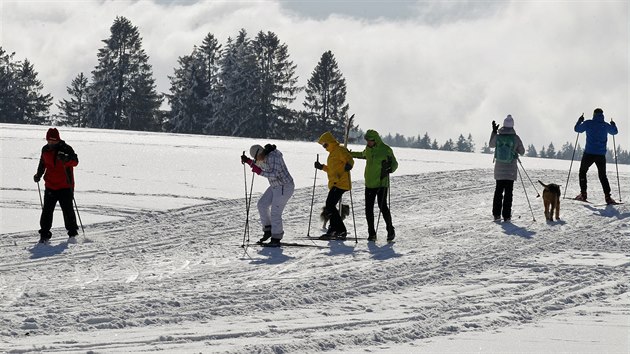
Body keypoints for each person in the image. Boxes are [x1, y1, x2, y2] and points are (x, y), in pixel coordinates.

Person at [241, 144, 294, 246]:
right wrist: (248, 161)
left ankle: (276, 237)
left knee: (275, 212)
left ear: (260, 153)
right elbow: (259, 164)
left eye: (255, 157)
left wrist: (259, 171)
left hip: (284, 186)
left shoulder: (274, 157)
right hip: (275, 186)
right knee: (262, 204)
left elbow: (274, 174)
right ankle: (268, 230)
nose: (256, 160)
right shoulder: (264, 156)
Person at [350, 129, 398, 242]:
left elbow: (395, 164)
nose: (368, 142)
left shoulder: (386, 150)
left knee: (383, 207)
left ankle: (390, 230)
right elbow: (362, 155)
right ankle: (371, 233)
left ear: (375, 140)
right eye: (367, 140)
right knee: (368, 209)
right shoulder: (368, 149)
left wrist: (390, 169)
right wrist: (349, 153)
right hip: (370, 183)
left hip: (382, 183)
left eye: (370, 140)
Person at [33, 128, 79, 243]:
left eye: (53, 141)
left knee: (68, 210)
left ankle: (73, 233)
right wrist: (38, 174)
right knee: (47, 211)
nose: (51, 143)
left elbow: (75, 162)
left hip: (65, 185)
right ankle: (44, 234)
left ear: (58, 139)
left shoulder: (66, 148)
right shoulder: (45, 149)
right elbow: (42, 163)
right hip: (50, 185)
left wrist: (66, 159)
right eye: (49, 141)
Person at [573, 108, 619, 204]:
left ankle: (583, 194)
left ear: (594, 114)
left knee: (582, 172)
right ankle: (608, 197)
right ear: (602, 115)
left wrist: (579, 120)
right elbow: (614, 132)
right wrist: (613, 125)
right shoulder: (605, 125)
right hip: (601, 154)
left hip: (589, 153)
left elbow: (577, 129)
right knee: (603, 176)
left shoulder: (588, 123)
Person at [314, 131, 354, 240]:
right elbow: (331, 169)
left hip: (341, 183)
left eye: (325, 144)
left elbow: (349, 158)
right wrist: (321, 167)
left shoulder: (340, 150)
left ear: (330, 142)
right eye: (323, 145)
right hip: (335, 183)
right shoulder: (332, 153)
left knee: (330, 205)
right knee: (330, 206)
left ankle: (338, 229)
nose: (324, 147)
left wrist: (349, 165)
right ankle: (336, 229)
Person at [489, 115, 525, 222]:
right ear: (512, 125)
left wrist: (494, 132)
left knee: (498, 192)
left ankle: (496, 214)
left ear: (504, 124)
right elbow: (522, 151)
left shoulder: (498, 136)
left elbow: (491, 145)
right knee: (508, 193)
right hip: (510, 171)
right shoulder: (516, 138)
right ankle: (507, 216)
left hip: (499, 170)